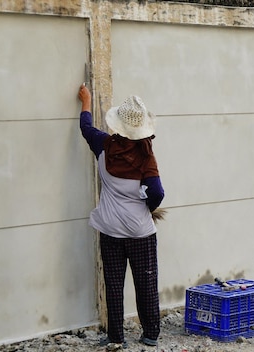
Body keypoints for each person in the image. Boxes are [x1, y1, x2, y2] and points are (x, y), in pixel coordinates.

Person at [78, 84, 165, 349]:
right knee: (146, 282)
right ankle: (150, 333)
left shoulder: (104, 145)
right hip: (140, 232)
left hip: (110, 229)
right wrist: (147, 208)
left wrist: (86, 100)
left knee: (114, 284)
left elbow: (85, 127)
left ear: (117, 126)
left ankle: (116, 336)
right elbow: (157, 192)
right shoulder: (146, 156)